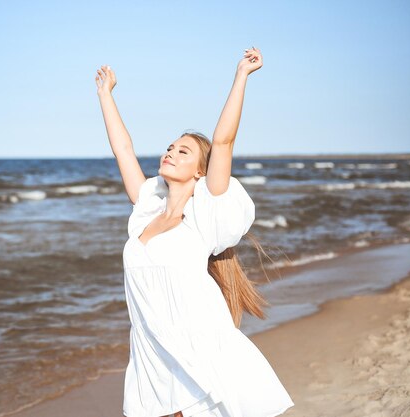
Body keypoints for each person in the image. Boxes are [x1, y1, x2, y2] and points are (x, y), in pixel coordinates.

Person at [95, 47, 294, 417]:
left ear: (200, 171)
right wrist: (106, 95)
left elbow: (222, 142)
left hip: (197, 343)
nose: (170, 152)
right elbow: (123, 149)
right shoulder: (145, 209)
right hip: (150, 346)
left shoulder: (204, 213)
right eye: (170, 147)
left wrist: (241, 76)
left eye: (183, 151)